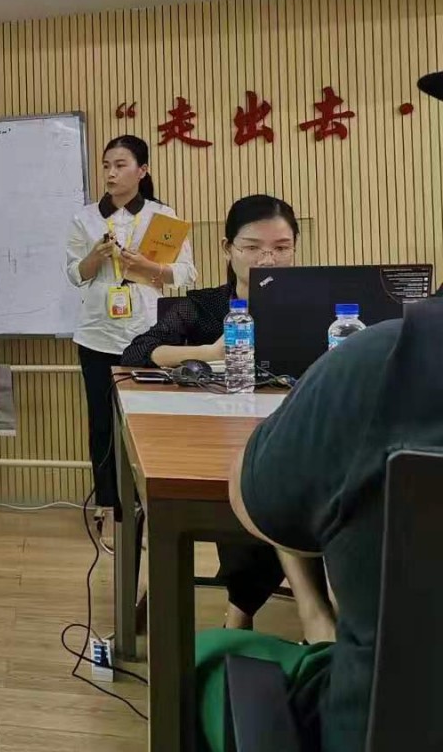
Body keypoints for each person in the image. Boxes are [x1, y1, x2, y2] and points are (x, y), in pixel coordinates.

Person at [195, 295, 443, 752]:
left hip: (368, 728)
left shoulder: (378, 360)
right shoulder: (202, 305)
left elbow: (257, 506)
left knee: (205, 657)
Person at [121, 195, 336, 642]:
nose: (267, 259)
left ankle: (268, 611)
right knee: (260, 481)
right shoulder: (204, 307)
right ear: (227, 248)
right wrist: (210, 352)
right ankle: (255, 612)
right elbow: (137, 352)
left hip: (300, 434)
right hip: (223, 438)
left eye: (281, 248)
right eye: (252, 247)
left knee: (304, 483)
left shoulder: (322, 307)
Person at [65, 135, 196, 546]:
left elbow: (186, 274)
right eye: (106, 165)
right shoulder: (86, 218)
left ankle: (147, 508)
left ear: (142, 171)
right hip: (97, 334)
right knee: (102, 425)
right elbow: (75, 274)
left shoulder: (162, 216)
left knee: (147, 424)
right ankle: (109, 509)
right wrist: (96, 256)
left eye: (120, 165)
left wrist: (147, 266)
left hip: (148, 334)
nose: (110, 173)